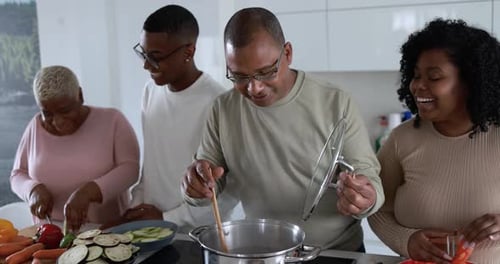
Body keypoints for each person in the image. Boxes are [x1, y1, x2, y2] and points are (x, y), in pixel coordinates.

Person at [181, 7, 384, 250]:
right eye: (239, 76)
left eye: (265, 72)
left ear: (287, 53)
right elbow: (207, 182)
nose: (254, 88)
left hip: (334, 252)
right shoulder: (223, 110)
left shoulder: (335, 103)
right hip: (262, 252)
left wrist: (365, 198)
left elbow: (369, 177)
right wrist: (195, 186)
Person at [368, 18, 500, 263]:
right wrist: (405, 240)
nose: (417, 86)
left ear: (471, 82)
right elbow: (377, 208)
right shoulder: (402, 139)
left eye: (434, 77)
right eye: (416, 75)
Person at [124, 5, 240, 233]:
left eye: (155, 57)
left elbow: (229, 192)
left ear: (188, 52)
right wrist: (135, 207)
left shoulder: (218, 103)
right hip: (151, 230)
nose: (146, 65)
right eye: (143, 54)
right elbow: (151, 167)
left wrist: (167, 217)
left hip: (198, 236)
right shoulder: (150, 91)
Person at [10, 65, 140, 231]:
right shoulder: (35, 126)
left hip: (106, 230)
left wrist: (88, 193)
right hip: (48, 234)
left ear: (80, 95)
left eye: (64, 111)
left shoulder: (112, 120)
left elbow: (130, 170)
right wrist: (32, 189)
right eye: (47, 113)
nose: (58, 122)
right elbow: (17, 174)